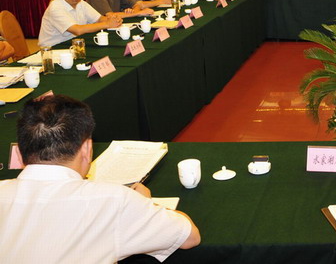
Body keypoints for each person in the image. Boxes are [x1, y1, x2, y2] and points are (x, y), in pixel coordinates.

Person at [0, 95, 201, 262]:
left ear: (20, 152)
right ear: (87, 149)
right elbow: (189, 237)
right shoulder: (113, 200)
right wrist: (146, 203)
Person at [38, 0, 122, 47]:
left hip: (74, 45)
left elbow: (99, 19)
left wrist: (113, 20)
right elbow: (77, 30)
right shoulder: (55, 7)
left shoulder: (81, 3)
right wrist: (107, 24)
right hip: (53, 49)